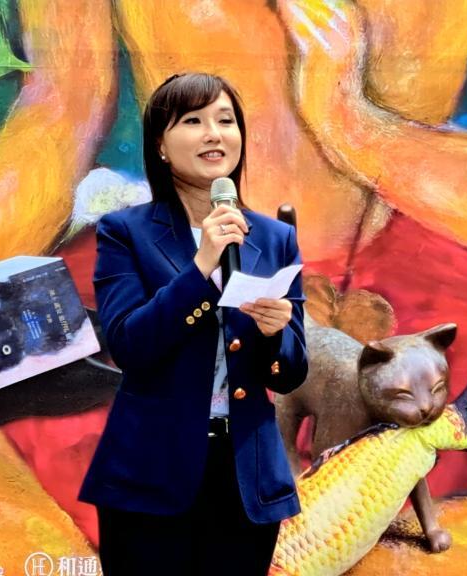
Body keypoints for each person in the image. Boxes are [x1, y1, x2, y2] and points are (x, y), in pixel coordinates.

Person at [77, 72, 309, 576]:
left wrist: (276, 333)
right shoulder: (125, 232)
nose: (213, 134)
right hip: (149, 472)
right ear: (161, 146)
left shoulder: (275, 238)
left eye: (225, 121)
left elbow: (291, 372)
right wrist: (202, 266)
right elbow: (129, 347)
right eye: (193, 121)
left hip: (246, 477)